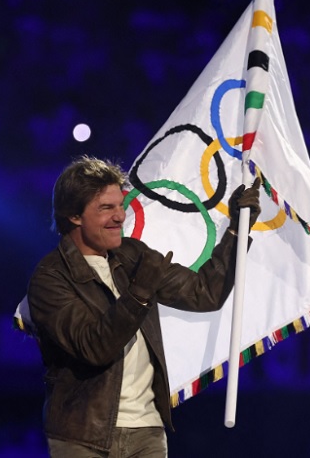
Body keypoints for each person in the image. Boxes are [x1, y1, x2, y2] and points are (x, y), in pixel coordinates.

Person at [17, 156, 261, 457]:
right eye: (106, 208)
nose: (120, 216)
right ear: (74, 216)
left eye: (120, 205)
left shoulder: (133, 255)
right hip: (83, 437)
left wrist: (237, 229)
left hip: (148, 431)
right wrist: (139, 293)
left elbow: (205, 293)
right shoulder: (50, 279)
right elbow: (95, 347)